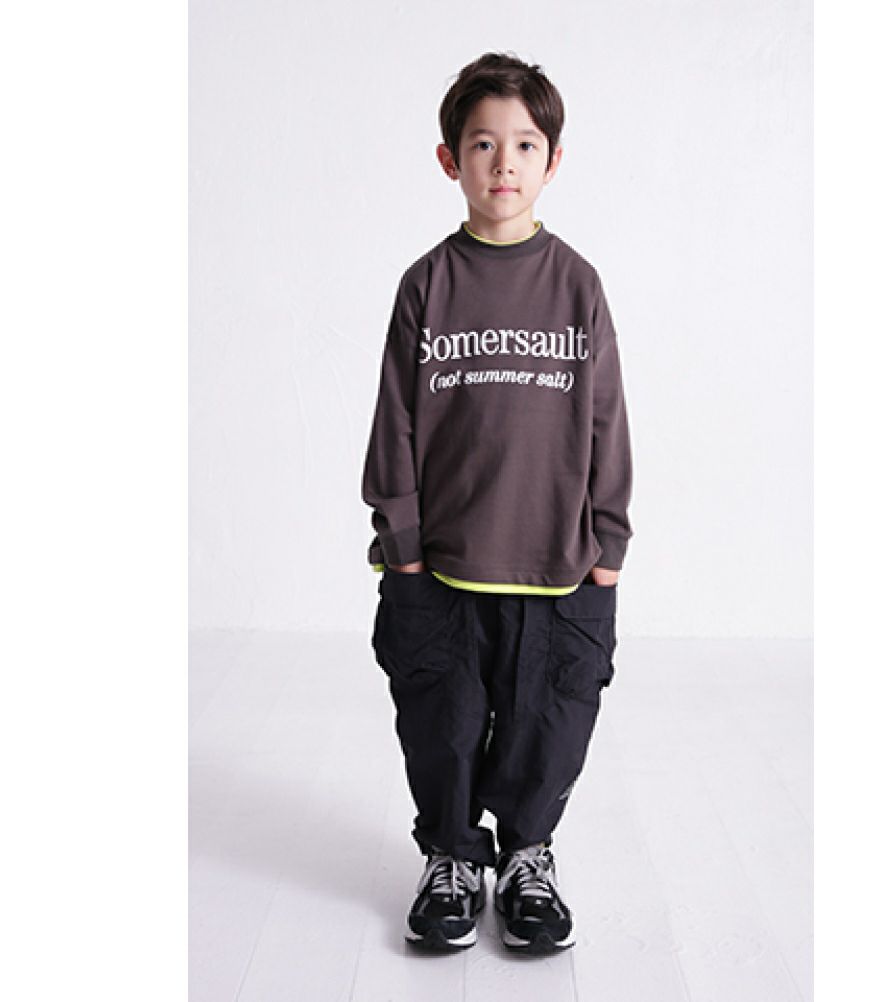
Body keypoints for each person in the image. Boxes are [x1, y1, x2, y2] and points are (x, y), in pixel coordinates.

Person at [361, 51, 633, 954]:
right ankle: (450, 856)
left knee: (547, 723)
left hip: (556, 563)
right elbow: (395, 420)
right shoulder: (427, 285)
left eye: (524, 145)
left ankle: (525, 856)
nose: (503, 163)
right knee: (438, 722)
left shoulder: (576, 285)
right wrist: (402, 542)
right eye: (482, 144)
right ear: (451, 160)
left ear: (553, 161)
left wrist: (608, 543)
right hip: (440, 562)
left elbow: (606, 418)